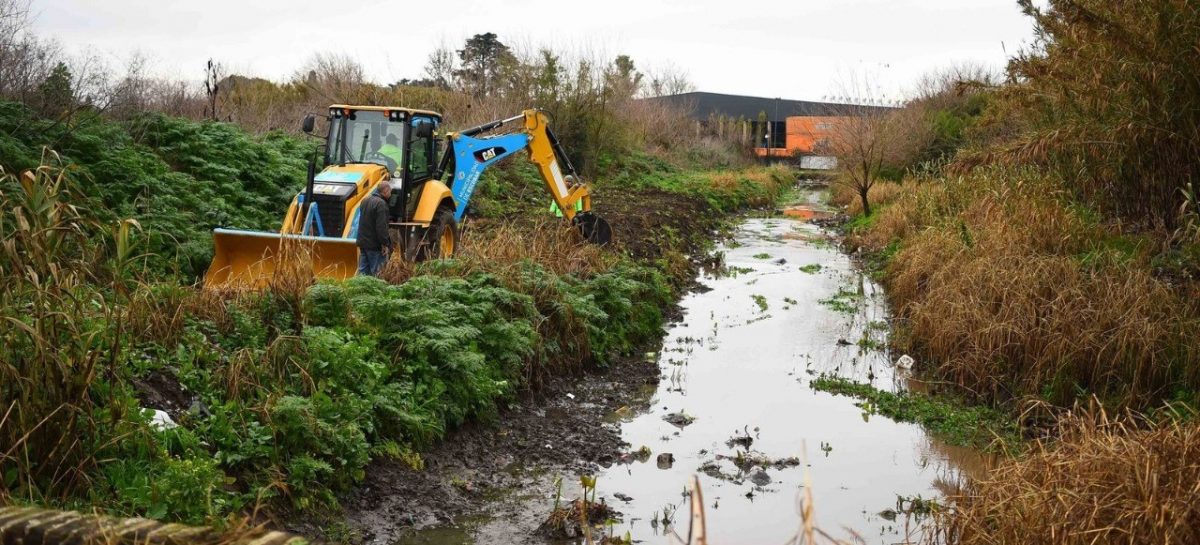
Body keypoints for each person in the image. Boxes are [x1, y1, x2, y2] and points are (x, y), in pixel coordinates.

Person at [356, 182, 392, 276]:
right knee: (378, 273)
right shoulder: (381, 204)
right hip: (375, 245)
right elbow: (381, 227)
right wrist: (385, 243)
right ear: (385, 191)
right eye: (390, 192)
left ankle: (360, 290)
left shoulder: (365, 200)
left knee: (363, 273)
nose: (390, 194)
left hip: (363, 242)